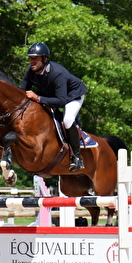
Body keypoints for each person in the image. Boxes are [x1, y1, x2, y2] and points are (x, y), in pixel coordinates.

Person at [21, 42, 88, 172]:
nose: (31, 61)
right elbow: (22, 91)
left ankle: (77, 158)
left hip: (72, 95)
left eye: (35, 58)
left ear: (45, 59)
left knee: (67, 120)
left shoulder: (57, 73)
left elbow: (61, 101)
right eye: (30, 58)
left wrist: (37, 98)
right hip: (53, 94)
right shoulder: (30, 71)